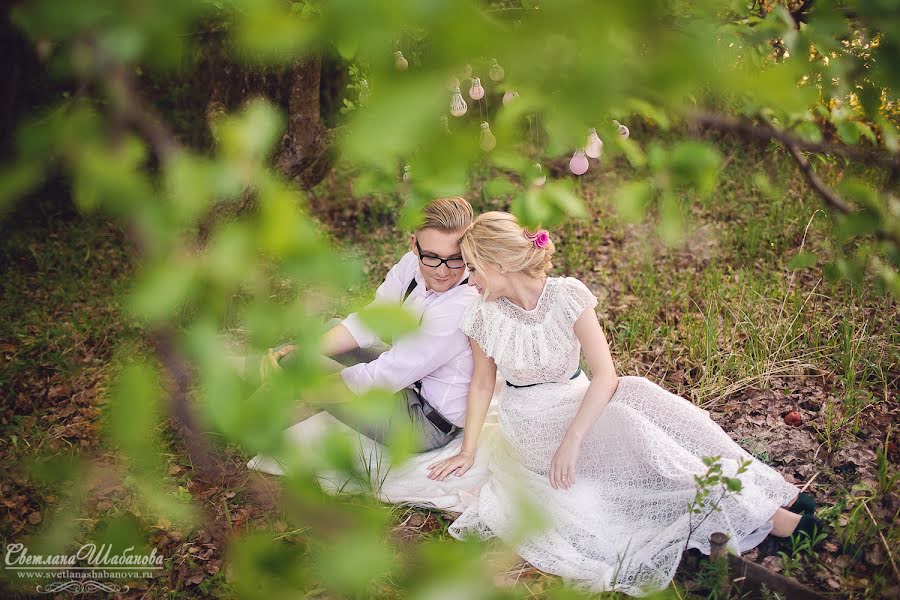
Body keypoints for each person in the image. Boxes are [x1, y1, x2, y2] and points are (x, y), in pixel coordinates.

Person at [426, 211, 824, 595]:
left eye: (473, 268)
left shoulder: (567, 295)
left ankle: (767, 488)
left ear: (497, 264)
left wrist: (574, 438)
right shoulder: (482, 315)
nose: (469, 279)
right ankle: (770, 517)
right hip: (531, 424)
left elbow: (606, 375)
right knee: (627, 425)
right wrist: (468, 448)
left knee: (637, 390)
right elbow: (482, 385)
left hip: (575, 401)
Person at [237, 197, 480, 453]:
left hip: (424, 424)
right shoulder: (411, 265)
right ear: (414, 246)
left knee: (296, 367)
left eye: (456, 259)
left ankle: (239, 417)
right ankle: (263, 368)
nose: (443, 271)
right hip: (409, 384)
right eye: (431, 257)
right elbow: (370, 321)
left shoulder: (460, 306)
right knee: (327, 331)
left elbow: (382, 377)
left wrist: (305, 390)